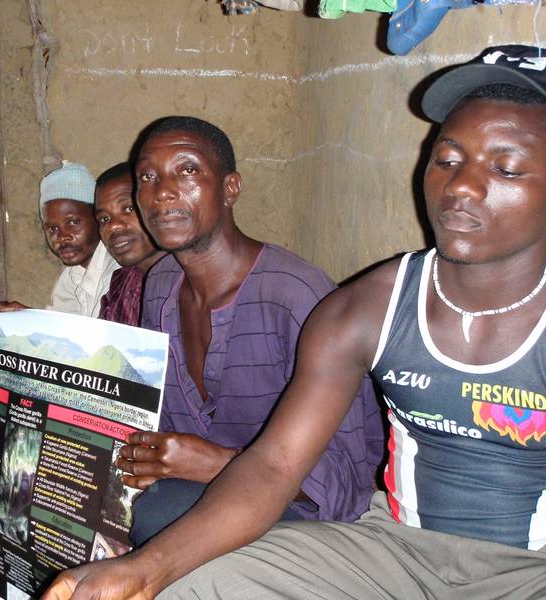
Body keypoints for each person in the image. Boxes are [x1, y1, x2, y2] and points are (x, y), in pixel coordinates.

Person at [44, 45, 546, 600]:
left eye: (505, 167)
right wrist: (145, 572)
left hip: (529, 568)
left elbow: (338, 480)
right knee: (193, 580)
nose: (461, 188)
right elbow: (275, 464)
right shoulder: (369, 306)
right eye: (447, 160)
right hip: (396, 549)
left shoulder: (296, 294)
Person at [107, 117, 381, 547]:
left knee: (164, 510)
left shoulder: (296, 297)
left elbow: (350, 484)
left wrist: (219, 464)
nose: (162, 191)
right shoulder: (160, 284)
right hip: (195, 495)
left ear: (230, 189)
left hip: (304, 517)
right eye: (148, 176)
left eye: (188, 170)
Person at [39, 161, 119, 317]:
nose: (62, 236)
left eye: (73, 222)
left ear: (98, 219)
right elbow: (62, 330)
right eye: (52, 228)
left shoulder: (117, 272)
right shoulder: (71, 276)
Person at [94, 162, 166, 326]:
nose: (113, 226)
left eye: (128, 209)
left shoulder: (189, 284)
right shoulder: (120, 282)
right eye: (104, 219)